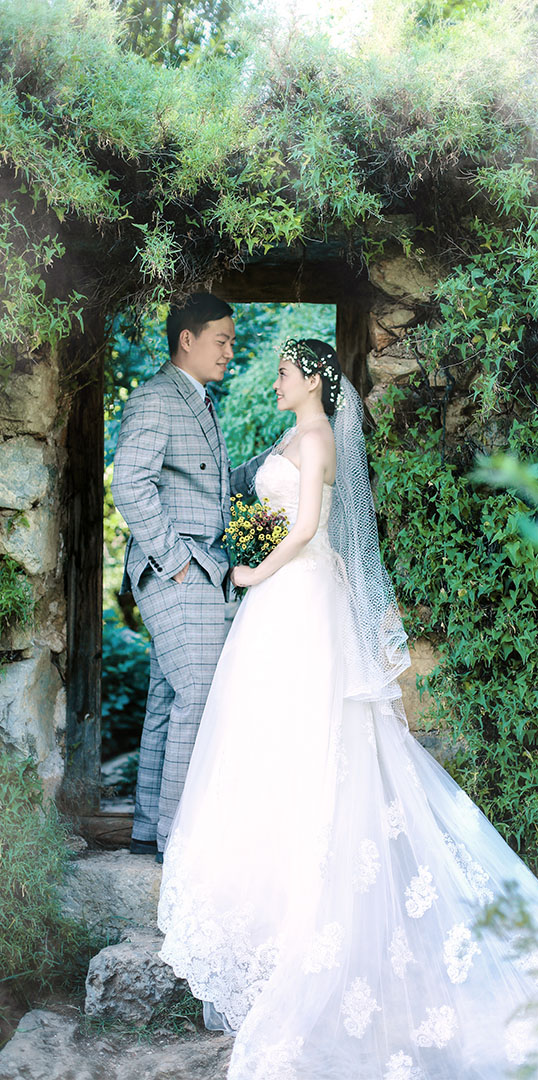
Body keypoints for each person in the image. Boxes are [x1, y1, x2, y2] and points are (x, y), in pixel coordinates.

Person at [157, 340, 538, 1079]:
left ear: (312, 380)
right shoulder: (294, 434)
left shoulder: (315, 437)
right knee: (273, 743)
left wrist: (249, 571)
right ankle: (274, 920)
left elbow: (305, 529)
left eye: (282, 373)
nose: (272, 382)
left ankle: (304, 924)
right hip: (286, 601)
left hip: (295, 596)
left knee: (308, 743)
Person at [111, 293, 267, 862]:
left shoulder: (199, 400)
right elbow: (129, 484)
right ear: (188, 339)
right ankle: (179, 844)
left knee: (167, 698)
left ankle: (148, 828)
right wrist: (175, 560)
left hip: (202, 566)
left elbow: (213, 489)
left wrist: (277, 459)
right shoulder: (156, 398)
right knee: (198, 696)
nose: (229, 351)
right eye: (222, 341)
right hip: (178, 569)